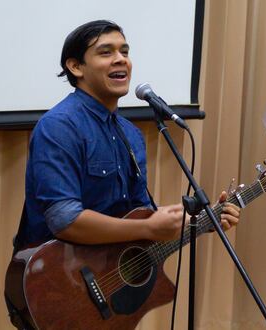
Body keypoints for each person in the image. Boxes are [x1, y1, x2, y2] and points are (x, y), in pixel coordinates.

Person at [15, 19, 240, 249]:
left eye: (125, 52)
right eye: (105, 52)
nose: (121, 59)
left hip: (110, 277)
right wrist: (149, 227)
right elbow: (64, 219)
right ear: (76, 67)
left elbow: (139, 215)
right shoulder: (59, 126)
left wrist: (201, 220)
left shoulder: (130, 134)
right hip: (57, 278)